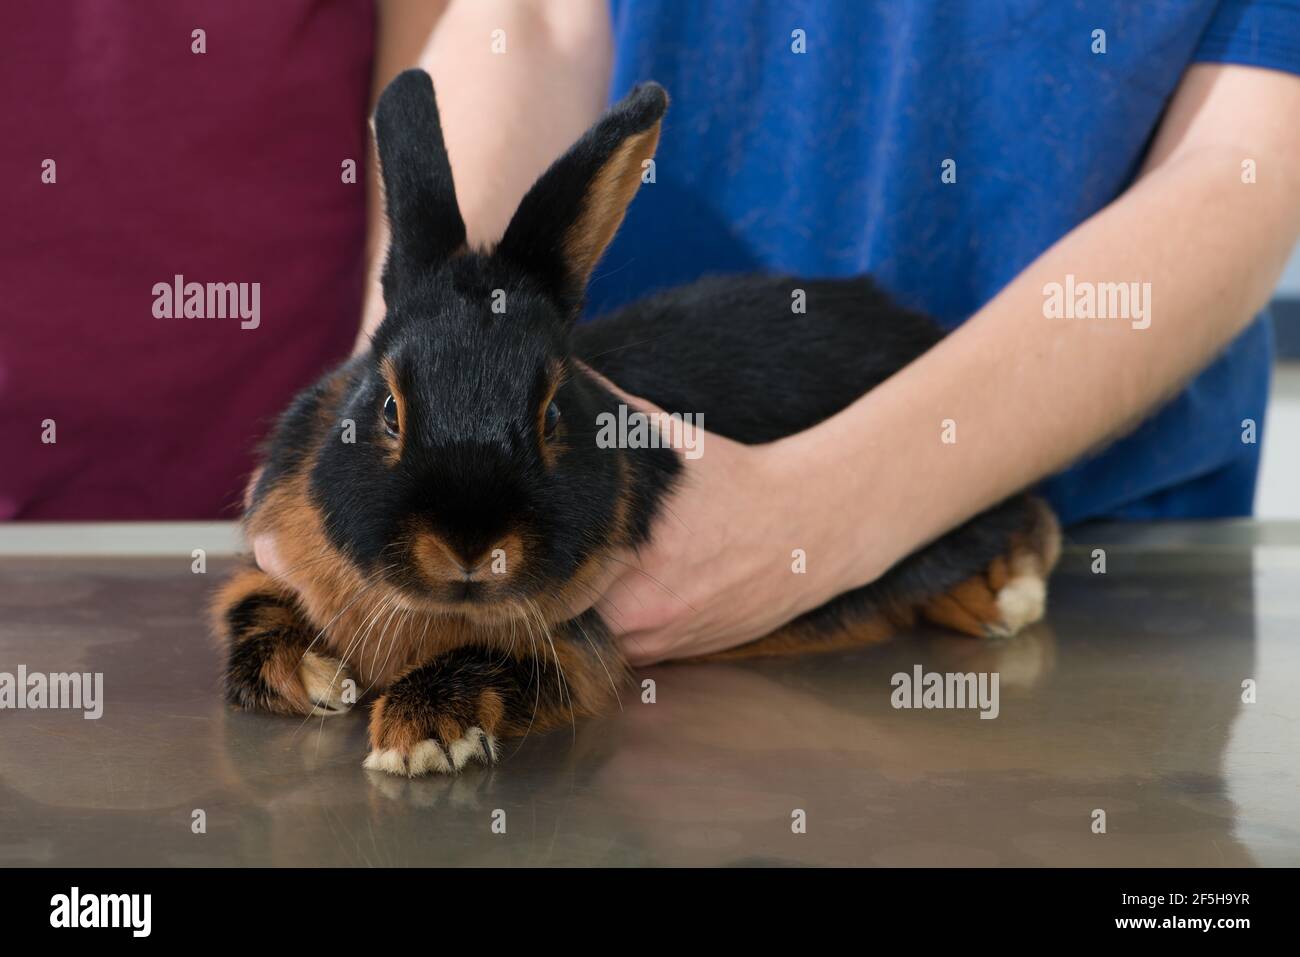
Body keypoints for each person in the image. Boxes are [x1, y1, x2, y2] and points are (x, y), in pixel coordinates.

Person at [7, 2, 1300, 665]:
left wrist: (814, 518)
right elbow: (537, 19)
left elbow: (1246, 168)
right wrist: (403, 382)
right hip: (607, 548)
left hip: (1068, 585)